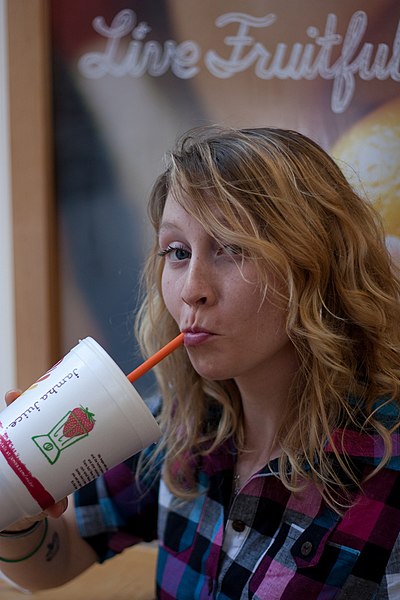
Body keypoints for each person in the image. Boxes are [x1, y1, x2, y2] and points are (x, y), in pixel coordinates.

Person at [2, 126, 400, 598]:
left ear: (317, 264)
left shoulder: (384, 470)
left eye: (232, 248)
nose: (192, 288)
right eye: (177, 252)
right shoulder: (176, 426)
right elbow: (61, 557)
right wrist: (17, 506)